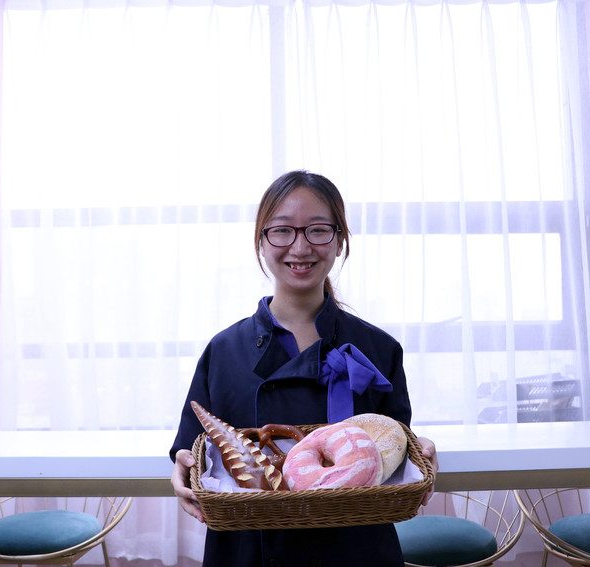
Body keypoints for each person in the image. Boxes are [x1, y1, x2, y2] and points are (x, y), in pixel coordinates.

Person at [170, 170, 437, 567]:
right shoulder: (223, 350)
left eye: (317, 230)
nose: (300, 247)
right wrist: (181, 470)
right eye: (282, 231)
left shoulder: (379, 348)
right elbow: (195, 447)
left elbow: (395, 447)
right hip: (250, 549)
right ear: (261, 242)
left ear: (340, 239)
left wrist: (421, 457)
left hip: (354, 547)